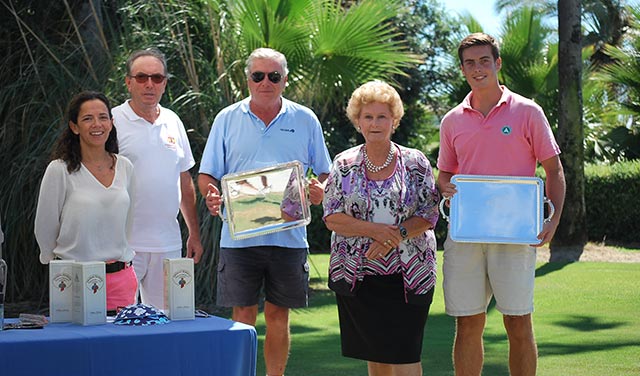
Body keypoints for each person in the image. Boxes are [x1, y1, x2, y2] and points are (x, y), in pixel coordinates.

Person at [437, 33, 566, 376]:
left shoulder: (527, 111)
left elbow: (554, 170)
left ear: (497, 63)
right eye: (469, 63)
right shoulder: (452, 120)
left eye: (483, 61)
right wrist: (446, 187)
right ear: (463, 69)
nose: (477, 68)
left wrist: (551, 220)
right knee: (467, 324)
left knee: (517, 321)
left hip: (516, 233)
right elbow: (445, 174)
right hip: (466, 235)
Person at [198, 47, 332, 376]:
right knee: (242, 315)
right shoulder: (226, 118)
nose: (265, 82)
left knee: (277, 315)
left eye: (274, 76)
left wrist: (319, 191)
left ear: (285, 80)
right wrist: (212, 196)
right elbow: (207, 175)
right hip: (239, 237)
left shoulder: (305, 118)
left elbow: (325, 173)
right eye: (258, 75)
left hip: (288, 238)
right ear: (247, 80)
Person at [323, 81, 440, 376]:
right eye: (368, 117)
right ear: (358, 121)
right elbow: (331, 216)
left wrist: (394, 236)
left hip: (409, 274)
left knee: (405, 355)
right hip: (359, 275)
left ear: (394, 120)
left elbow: (429, 213)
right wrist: (375, 231)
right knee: (375, 356)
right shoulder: (344, 163)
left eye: (382, 117)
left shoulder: (416, 162)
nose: (375, 124)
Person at [112, 48, 203, 309]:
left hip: (168, 244)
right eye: (141, 77)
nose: (149, 84)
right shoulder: (112, 121)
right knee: (118, 324)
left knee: (164, 324)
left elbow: (184, 180)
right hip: (123, 245)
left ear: (164, 83)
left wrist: (193, 234)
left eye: (157, 78)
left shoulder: (173, 120)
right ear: (128, 82)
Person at [35, 91, 137, 313]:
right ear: (74, 127)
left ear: (111, 122)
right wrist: (60, 269)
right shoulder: (59, 170)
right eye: (87, 118)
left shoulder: (125, 167)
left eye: (102, 117)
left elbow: (128, 224)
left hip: (121, 282)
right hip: (73, 282)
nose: (96, 124)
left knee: (123, 347)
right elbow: (45, 227)